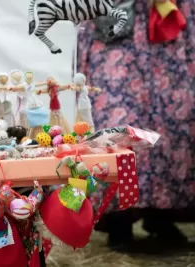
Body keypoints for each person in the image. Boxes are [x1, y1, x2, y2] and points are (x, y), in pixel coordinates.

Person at [78, 0, 194, 249]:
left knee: (170, 121)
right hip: (119, 31)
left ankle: (160, 214)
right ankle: (119, 218)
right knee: (118, 124)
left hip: (165, 31)